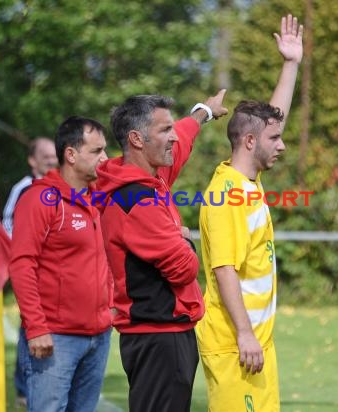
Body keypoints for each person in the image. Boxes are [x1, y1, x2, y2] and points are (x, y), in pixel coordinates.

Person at [196, 14, 304, 411]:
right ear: (249, 141)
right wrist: (244, 334)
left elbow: (272, 121)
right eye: (275, 140)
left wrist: (290, 64)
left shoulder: (247, 180)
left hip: (256, 343)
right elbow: (224, 270)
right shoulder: (225, 194)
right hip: (234, 345)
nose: (282, 145)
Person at [96, 91, 228, 412]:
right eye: (163, 130)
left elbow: (182, 139)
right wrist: (185, 240)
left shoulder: (151, 176)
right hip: (158, 337)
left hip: (165, 332)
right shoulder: (137, 199)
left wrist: (202, 112)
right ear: (137, 139)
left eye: (170, 128)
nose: (172, 137)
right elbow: (184, 268)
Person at [9, 117, 112, 412]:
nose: (105, 158)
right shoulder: (40, 198)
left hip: (99, 337)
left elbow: (108, 256)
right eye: (96, 151)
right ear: (70, 154)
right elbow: (22, 265)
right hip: (56, 339)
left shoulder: (99, 199)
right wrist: (37, 328)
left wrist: (111, 307)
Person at [1, 136, 57, 408]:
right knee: (30, 328)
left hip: (54, 272)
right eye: (44, 155)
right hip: (32, 271)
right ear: (32, 160)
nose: (50, 159)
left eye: (53, 154)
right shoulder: (23, 189)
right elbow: (7, 226)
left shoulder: (61, 186)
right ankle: (24, 389)